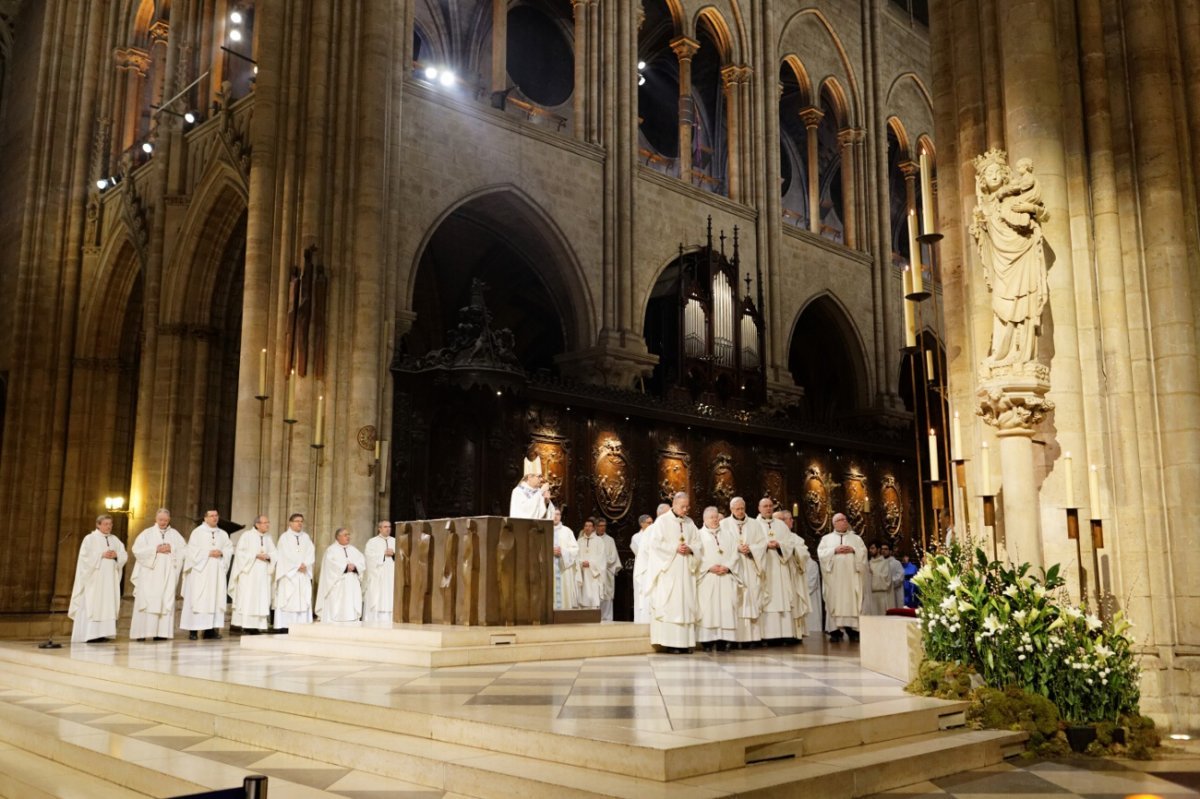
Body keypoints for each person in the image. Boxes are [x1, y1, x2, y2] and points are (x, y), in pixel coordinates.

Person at [645, 492, 701, 653]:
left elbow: (698, 544)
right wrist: (674, 548)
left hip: (686, 571)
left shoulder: (690, 523)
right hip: (670, 571)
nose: (686, 509)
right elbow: (655, 545)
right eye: (682, 506)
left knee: (686, 604)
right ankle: (671, 643)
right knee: (672, 605)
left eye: (687, 506)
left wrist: (690, 548)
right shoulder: (662, 521)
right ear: (674, 505)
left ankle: (685, 643)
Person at [69, 514, 128, 643]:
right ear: (98, 525)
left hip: (110, 580)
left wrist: (116, 555)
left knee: (107, 604)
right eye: (106, 524)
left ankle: (104, 633)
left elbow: (124, 555)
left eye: (110, 524)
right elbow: (84, 558)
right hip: (95, 580)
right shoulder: (89, 539)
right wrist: (101, 555)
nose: (109, 526)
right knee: (94, 604)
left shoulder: (115, 540)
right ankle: (90, 634)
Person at [129, 508, 186, 641]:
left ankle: (161, 633)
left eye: (166, 520)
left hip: (167, 575)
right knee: (147, 601)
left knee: (164, 600)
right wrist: (156, 549)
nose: (163, 522)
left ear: (169, 520)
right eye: (161, 520)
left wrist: (172, 548)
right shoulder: (146, 533)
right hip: (150, 575)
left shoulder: (175, 534)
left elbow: (185, 550)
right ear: (156, 519)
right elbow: (137, 550)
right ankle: (141, 633)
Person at [720, 497, 766, 647]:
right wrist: (736, 548)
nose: (740, 512)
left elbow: (762, 544)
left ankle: (751, 639)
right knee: (736, 600)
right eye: (737, 509)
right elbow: (720, 545)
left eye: (742, 508)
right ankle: (734, 639)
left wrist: (751, 548)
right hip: (734, 567)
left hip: (750, 566)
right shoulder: (724, 524)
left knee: (751, 598)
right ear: (731, 509)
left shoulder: (754, 524)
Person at [180, 509, 233, 640]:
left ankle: (210, 630)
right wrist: (208, 553)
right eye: (211, 516)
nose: (215, 518)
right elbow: (191, 551)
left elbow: (229, 548)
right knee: (198, 598)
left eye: (216, 515)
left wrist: (222, 553)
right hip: (200, 572)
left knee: (214, 598)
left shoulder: (223, 534)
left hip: (216, 572)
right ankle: (193, 630)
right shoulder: (197, 533)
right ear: (205, 518)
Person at [817, 513, 867, 642]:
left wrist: (853, 550)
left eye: (845, 519)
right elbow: (821, 554)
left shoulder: (856, 539)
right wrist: (834, 550)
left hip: (851, 578)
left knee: (852, 601)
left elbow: (863, 553)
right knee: (834, 601)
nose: (843, 522)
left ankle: (853, 630)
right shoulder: (826, 539)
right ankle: (835, 631)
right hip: (834, 578)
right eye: (840, 520)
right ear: (834, 523)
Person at [697, 506, 740, 651]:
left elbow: (735, 553)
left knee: (725, 608)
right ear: (704, 519)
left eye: (716, 517)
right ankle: (707, 641)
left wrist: (727, 566)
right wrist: (709, 566)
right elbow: (697, 556)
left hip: (725, 576)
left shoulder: (728, 534)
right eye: (711, 517)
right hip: (708, 577)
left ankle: (724, 639)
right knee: (709, 609)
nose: (715, 520)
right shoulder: (698, 535)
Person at [756, 497, 795, 643]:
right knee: (767, 599)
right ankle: (767, 636)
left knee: (781, 597)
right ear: (759, 508)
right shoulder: (755, 525)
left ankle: (784, 634)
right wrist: (765, 545)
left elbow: (790, 543)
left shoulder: (781, 525)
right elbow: (752, 545)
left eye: (770, 506)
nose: (768, 508)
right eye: (765, 506)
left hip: (779, 565)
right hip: (764, 566)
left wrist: (779, 545)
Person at [229, 515, 276, 633]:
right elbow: (240, 553)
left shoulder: (268, 538)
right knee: (249, 597)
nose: (267, 525)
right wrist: (255, 555)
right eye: (265, 523)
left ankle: (260, 625)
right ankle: (248, 625)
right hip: (249, 573)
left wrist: (270, 556)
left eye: (268, 522)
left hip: (264, 573)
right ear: (257, 524)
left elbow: (275, 553)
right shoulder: (247, 536)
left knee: (261, 597)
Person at [274, 513, 316, 631]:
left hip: (302, 574)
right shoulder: (284, 537)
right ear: (290, 523)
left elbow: (311, 552)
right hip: (289, 575)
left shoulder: (306, 537)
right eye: (297, 521)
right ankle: (285, 626)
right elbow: (283, 555)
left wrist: (305, 565)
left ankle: (302, 626)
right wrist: (296, 566)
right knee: (289, 599)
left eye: (301, 521)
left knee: (303, 598)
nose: (300, 523)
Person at [316, 527, 366, 624]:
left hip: (351, 582)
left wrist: (355, 567)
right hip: (337, 584)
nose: (348, 537)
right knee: (337, 606)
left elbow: (362, 562)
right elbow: (330, 565)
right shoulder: (331, 550)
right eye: (345, 535)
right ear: (338, 537)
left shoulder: (354, 550)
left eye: (348, 534)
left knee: (350, 605)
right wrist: (345, 567)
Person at [775, 508, 811, 641]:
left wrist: (791, 550)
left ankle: (795, 633)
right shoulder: (771, 538)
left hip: (793, 576)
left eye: (786, 519)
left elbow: (804, 555)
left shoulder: (795, 538)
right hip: (777, 577)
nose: (785, 522)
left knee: (794, 604)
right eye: (782, 520)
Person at [363, 521, 396, 623]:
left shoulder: (395, 541)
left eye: (389, 527)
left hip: (392, 575)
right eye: (385, 527)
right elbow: (368, 557)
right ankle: (375, 620)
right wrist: (383, 554)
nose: (388, 529)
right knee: (378, 596)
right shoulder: (372, 542)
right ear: (379, 529)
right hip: (378, 575)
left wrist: (394, 554)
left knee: (391, 596)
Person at [551, 509, 580, 611]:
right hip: (550, 570)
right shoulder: (544, 530)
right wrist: (550, 551)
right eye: (553, 514)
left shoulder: (567, 531)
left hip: (564, 569)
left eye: (558, 514)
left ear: (561, 516)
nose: (555, 517)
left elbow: (575, 549)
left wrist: (562, 552)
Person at [509, 455, 554, 520]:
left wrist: (547, 502)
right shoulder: (518, 491)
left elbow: (549, 515)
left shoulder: (539, 491)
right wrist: (540, 492)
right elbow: (526, 512)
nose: (541, 479)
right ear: (529, 477)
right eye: (539, 476)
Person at [595, 518, 622, 622]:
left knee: (606, 598)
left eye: (604, 526)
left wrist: (602, 562)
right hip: (594, 573)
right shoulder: (592, 540)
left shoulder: (610, 540)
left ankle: (607, 620)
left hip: (606, 572)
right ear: (596, 527)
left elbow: (613, 557)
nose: (602, 528)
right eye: (600, 526)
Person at [629, 514, 653, 623]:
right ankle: (640, 620)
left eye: (652, 522)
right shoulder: (636, 537)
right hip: (643, 569)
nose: (651, 525)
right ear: (641, 524)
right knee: (641, 595)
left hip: (653, 569)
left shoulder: (655, 535)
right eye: (648, 523)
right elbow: (641, 553)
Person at [576, 518, 603, 610]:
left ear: (593, 528)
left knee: (593, 596)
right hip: (582, 572)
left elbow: (601, 558)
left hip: (593, 574)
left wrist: (591, 564)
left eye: (590, 526)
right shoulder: (579, 541)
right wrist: (580, 563)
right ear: (583, 528)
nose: (587, 528)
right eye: (586, 526)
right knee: (583, 595)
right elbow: (575, 556)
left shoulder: (599, 541)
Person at [862, 542, 892, 616]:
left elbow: (887, 580)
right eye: (870, 548)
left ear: (878, 549)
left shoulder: (885, 563)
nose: (870, 550)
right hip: (870, 595)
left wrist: (873, 573)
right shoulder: (868, 563)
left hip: (881, 596)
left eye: (872, 548)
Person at [882, 543, 905, 610]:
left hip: (895, 592)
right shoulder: (878, 563)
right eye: (882, 549)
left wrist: (888, 582)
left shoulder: (896, 563)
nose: (883, 551)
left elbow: (900, 577)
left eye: (886, 549)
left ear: (890, 551)